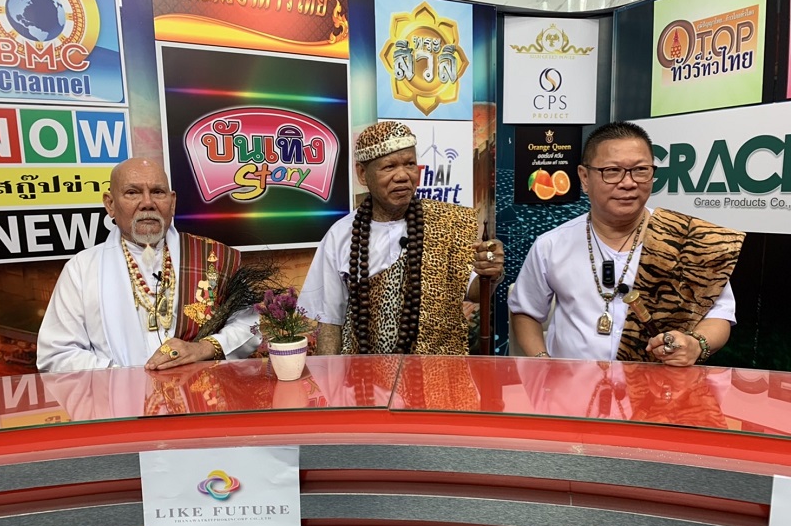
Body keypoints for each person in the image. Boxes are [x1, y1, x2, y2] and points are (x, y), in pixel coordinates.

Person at [509, 121, 745, 366]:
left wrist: (696, 344)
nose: (629, 183)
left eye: (641, 170)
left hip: (658, 383)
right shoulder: (551, 245)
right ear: (584, 177)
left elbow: (719, 315)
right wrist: (543, 363)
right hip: (571, 383)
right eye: (612, 171)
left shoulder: (688, 240)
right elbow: (525, 312)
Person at [37, 158, 263, 373]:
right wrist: (127, 380)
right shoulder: (82, 269)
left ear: (172, 202)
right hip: (118, 397)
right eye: (132, 192)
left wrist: (202, 348)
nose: (147, 203)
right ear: (110, 204)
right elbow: (57, 354)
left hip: (200, 395)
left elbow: (251, 325)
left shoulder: (214, 257)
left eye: (157, 192)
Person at [298, 121, 505, 355]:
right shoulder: (341, 234)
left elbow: (474, 292)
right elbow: (329, 322)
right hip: (364, 372)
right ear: (363, 174)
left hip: (436, 372)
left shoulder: (447, 223)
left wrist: (491, 271)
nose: (403, 176)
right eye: (389, 167)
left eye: (410, 164)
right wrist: (329, 374)